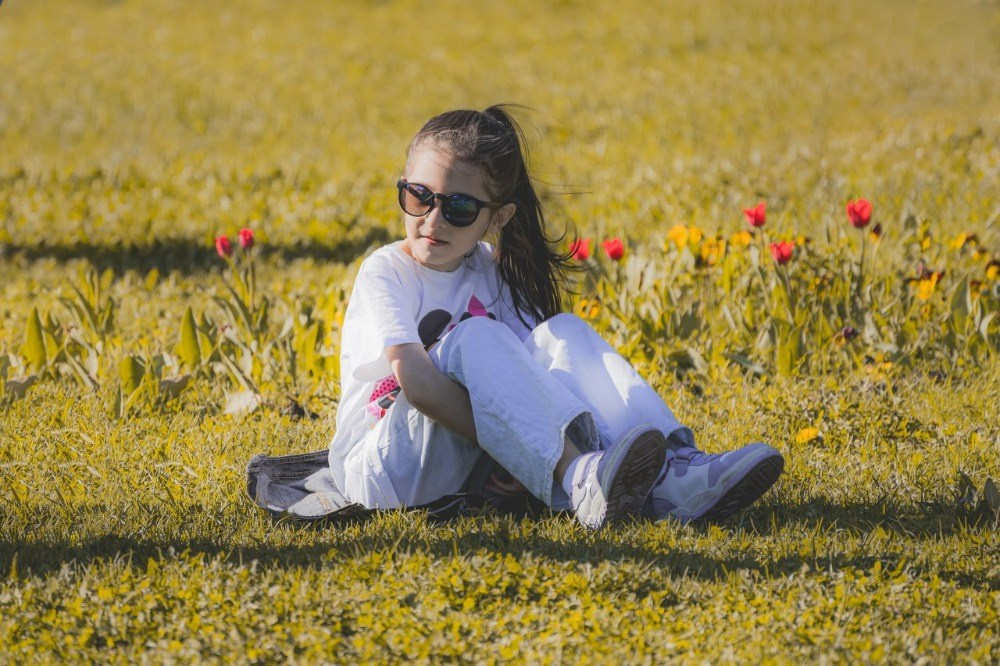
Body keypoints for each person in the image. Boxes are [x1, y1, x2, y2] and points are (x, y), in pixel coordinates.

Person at [327, 105, 784, 529]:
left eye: (460, 208)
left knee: (562, 333)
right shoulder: (386, 271)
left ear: (497, 217)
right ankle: (577, 476)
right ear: (403, 188)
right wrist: (512, 452)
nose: (433, 219)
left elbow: (549, 376)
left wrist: (516, 445)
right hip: (382, 467)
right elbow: (420, 386)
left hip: (459, 454)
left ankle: (677, 471)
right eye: (419, 196)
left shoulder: (490, 270)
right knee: (474, 338)